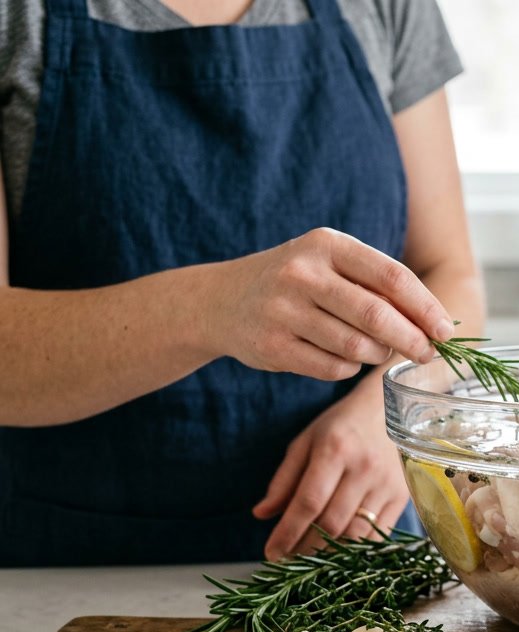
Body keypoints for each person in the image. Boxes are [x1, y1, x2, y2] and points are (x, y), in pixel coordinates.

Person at [0, 0, 484, 566]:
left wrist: (393, 422)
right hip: (64, 571)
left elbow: (452, 276)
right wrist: (215, 307)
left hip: (349, 558)